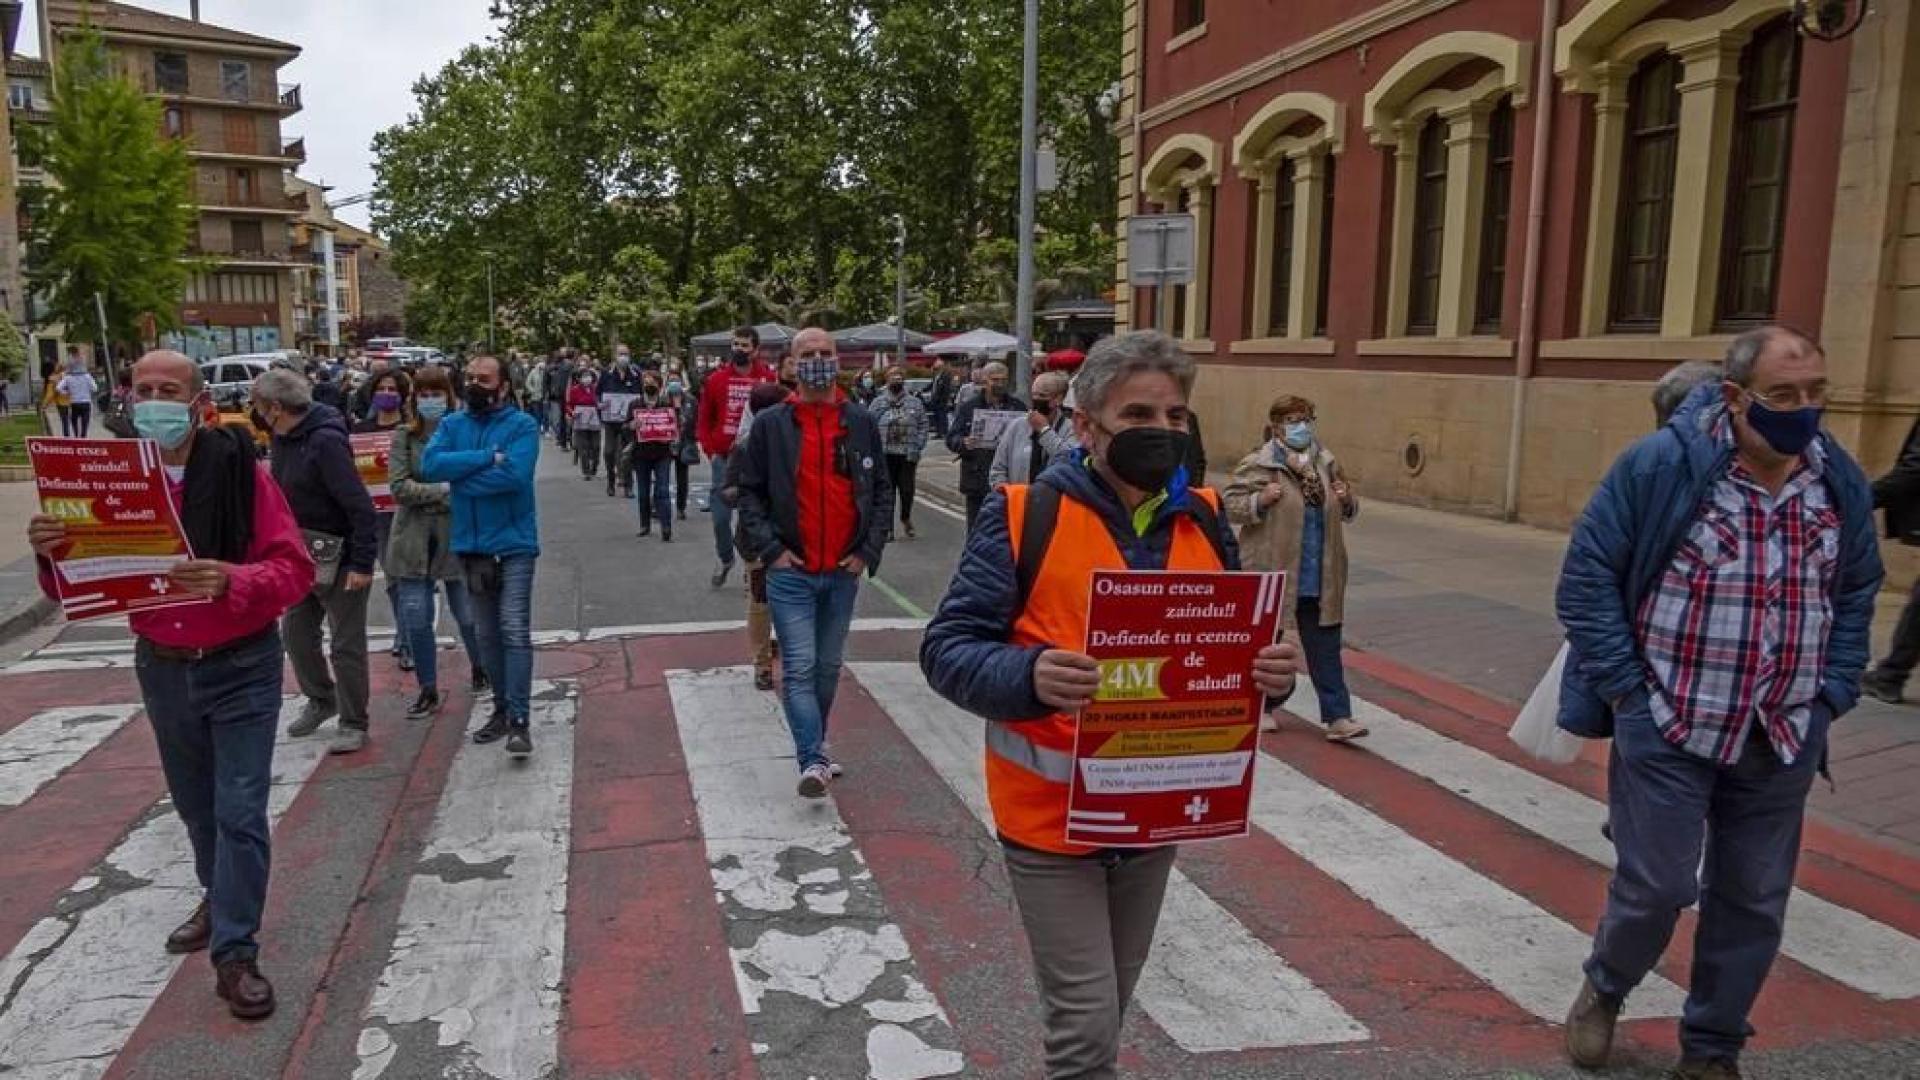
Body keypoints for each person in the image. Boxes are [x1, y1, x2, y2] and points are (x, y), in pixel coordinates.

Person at [920, 330, 1301, 1080]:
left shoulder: (1206, 517)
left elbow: (1231, 660)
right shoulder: (1025, 514)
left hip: (1153, 816)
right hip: (1050, 823)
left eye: (1175, 416)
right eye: (1139, 415)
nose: (1161, 432)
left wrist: (1274, 673)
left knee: (1106, 1011)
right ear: (1086, 426)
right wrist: (1028, 676)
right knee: (1086, 1036)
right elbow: (947, 649)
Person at [1556, 327, 1882, 1080]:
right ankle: (1605, 987)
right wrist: (1630, 696)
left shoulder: (1838, 480)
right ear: (1735, 399)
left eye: (1815, 394)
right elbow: (1587, 580)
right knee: (1659, 887)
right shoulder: (1661, 466)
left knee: (1753, 899)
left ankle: (1711, 1049)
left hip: (1783, 730)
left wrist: (1833, 691)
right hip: (1672, 721)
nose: (1804, 412)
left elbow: (1859, 587)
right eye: (1783, 397)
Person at [28, 351, 311, 1020]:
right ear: (127, 397)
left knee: (240, 810)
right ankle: (220, 898)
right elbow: (82, 587)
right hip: (162, 664)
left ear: (198, 401)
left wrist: (232, 580)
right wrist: (51, 555)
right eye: (144, 389)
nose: (154, 400)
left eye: (169, 390)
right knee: (196, 806)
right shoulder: (106, 480)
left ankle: (236, 953)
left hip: (241, 663)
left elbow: (293, 570)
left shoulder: (245, 474)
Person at [732, 328, 890, 796]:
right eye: (809, 354)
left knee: (827, 667)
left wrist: (867, 552)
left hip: (842, 572)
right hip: (792, 573)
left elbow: (881, 491)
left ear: (837, 360)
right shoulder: (771, 425)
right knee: (800, 666)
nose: (819, 360)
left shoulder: (860, 422)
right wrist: (773, 552)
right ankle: (814, 757)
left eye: (826, 353)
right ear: (793, 364)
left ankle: (814, 746)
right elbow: (749, 493)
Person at [421, 356, 541, 758]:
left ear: (503, 386)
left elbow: (515, 477)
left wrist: (461, 479)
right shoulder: (453, 424)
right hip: (472, 547)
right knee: (485, 635)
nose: (474, 384)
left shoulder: (522, 425)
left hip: (514, 544)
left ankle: (520, 720)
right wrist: (488, 458)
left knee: (513, 630)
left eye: (483, 379)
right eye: (469, 378)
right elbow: (430, 465)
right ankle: (502, 709)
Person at [1224, 395, 1364, 740]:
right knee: (1266, 647)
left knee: (1326, 646)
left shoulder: (1326, 462)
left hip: (1320, 572)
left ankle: (1338, 717)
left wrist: (1346, 499)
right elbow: (1230, 505)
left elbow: (1347, 510)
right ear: (1276, 426)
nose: (1301, 426)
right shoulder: (1260, 463)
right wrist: (1260, 500)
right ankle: (1264, 707)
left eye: (1306, 418)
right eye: (1292, 420)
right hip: (1275, 570)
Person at [256, 370, 380, 756]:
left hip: (340, 556)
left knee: (345, 643)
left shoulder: (325, 441)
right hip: (301, 554)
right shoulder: (283, 437)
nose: (255, 414)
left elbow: (358, 505)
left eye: (258, 406)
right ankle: (321, 698)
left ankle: (353, 720)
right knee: (296, 633)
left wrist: (362, 563)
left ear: (275, 407)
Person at [387, 366, 488, 719]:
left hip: (456, 537)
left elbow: (472, 482)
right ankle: (427, 688)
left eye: (437, 393)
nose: (430, 400)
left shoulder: (463, 434)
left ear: (450, 396)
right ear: (415, 399)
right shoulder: (403, 436)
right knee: (416, 617)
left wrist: (436, 492)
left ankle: (481, 668)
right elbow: (400, 488)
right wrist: (444, 489)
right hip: (413, 539)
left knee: (468, 615)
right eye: (424, 394)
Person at [697, 325, 777, 588]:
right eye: (735, 344)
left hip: (756, 459)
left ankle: (750, 566)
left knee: (749, 517)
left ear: (755, 350)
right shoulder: (716, 380)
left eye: (744, 345)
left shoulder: (768, 379)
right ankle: (725, 557)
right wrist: (711, 451)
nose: (739, 349)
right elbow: (703, 419)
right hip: (723, 457)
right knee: (721, 517)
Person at [733, 380, 794, 691]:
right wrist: (749, 493)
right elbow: (728, 491)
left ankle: (790, 654)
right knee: (760, 602)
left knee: (793, 600)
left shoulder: (795, 442)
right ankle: (762, 664)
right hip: (756, 541)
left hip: (792, 537)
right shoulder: (745, 447)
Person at [354, 370, 414, 673]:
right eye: (382, 388)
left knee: (407, 577)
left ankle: (408, 640)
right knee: (392, 579)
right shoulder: (360, 430)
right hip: (376, 514)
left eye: (393, 388)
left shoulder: (410, 429)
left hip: (408, 511)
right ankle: (405, 635)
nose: (387, 393)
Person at [947, 360, 1026, 530]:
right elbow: (952, 438)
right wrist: (963, 442)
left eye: (1003, 380)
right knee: (976, 528)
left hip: (1008, 478)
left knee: (1007, 529)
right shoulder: (969, 407)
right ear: (984, 381)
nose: (999, 384)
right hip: (977, 477)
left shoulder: (1017, 407)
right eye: (994, 380)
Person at [869, 365, 929, 539]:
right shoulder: (878, 402)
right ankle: (888, 527)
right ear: (886, 380)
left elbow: (924, 424)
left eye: (899, 376)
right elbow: (868, 424)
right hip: (885, 454)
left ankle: (905, 517)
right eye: (893, 376)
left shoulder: (914, 402)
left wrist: (918, 444)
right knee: (887, 491)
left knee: (907, 490)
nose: (896, 379)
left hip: (907, 453)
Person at [988, 370, 1075, 489]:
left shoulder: (1070, 428)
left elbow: (1070, 462)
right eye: (1033, 394)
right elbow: (998, 470)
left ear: (1058, 399)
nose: (1036, 399)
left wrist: (1045, 431)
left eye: (1042, 395)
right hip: (1018, 501)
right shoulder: (1017, 426)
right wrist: (1006, 495)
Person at [626, 374, 677, 541]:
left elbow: (677, 425)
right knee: (643, 491)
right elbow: (625, 426)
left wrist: (672, 432)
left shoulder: (666, 404)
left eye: (652, 383)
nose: (649, 385)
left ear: (659, 386)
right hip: (641, 453)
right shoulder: (635, 404)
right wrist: (631, 425)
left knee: (662, 490)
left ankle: (666, 526)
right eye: (646, 383)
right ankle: (644, 524)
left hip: (662, 453)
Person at [597, 345, 647, 499]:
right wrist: (599, 404)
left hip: (628, 421)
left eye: (626, 354)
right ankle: (611, 482)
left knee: (627, 454)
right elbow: (597, 393)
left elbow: (642, 394)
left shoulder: (636, 374)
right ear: (615, 356)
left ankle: (628, 485)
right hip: (611, 420)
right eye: (620, 354)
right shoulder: (606, 373)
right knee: (609, 452)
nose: (623, 357)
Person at [668, 378, 700, 522]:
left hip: (684, 442)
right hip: (667, 443)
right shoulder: (664, 400)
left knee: (682, 477)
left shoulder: (691, 401)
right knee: (661, 476)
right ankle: (657, 506)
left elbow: (694, 419)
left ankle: (681, 508)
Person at [567, 367, 602, 481]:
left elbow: (599, 402)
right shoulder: (574, 390)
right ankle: (586, 471)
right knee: (583, 447)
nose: (588, 379)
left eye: (589, 376)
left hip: (594, 420)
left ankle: (594, 467)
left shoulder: (595, 389)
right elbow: (568, 405)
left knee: (596, 446)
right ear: (579, 378)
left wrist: (601, 406)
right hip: (580, 420)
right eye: (584, 376)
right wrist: (572, 413)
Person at [58, 362, 98, 437]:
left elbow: (58, 388)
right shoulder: (87, 376)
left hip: (74, 402)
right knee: (85, 422)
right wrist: (87, 391)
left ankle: (76, 435)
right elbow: (95, 388)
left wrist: (67, 392)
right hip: (86, 402)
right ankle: (83, 435)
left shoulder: (68, 377)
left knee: (74, 420)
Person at [927, 357, 957, 438]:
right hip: (934, 399)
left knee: (942, 416)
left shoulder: (945, 376)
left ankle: (944, 432)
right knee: (936, 416)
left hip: (941, 400)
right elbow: (931, 385)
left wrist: (945, 399)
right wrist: (922, 390)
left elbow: (946, 389)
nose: (935, 366)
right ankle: (939, 432)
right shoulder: (936, 375)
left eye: (936, 365)